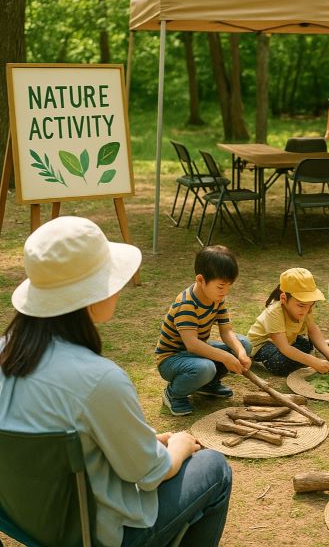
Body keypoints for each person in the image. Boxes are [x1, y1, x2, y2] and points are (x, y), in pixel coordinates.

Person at [0, 216, 231, 547]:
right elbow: (151, 473)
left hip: (25, 521)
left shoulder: (7, 354)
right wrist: (178, 447)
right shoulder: (99, 379)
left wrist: (144, 438)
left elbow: (57, 430)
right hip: (94, 534)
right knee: (214, 467)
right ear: (91, 296)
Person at [156, 245, 252, 416]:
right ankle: (174, 394)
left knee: (244, 345)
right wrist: (225, 356)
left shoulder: (216, 298)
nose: (226, 291)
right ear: (200, 279)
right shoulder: (186, 304)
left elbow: (226, 331)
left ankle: (207, 385)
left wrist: (240, 352)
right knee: (205, 367)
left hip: (195, 353)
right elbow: (192, 344)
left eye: (229, 285)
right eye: (221, 286)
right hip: (172, 359)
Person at [249, 268, 329, 375]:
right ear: (284, 298)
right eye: (301, 305)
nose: (306, 310)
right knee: (280, 364)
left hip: (287, 342)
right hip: (262, 345)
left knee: (306, 345)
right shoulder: (274, 312)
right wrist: (314, 362)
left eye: (310, 305)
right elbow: (284, 348)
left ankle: (303, 358)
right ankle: (262, 362)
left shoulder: (306, 308)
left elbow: (313, 331)